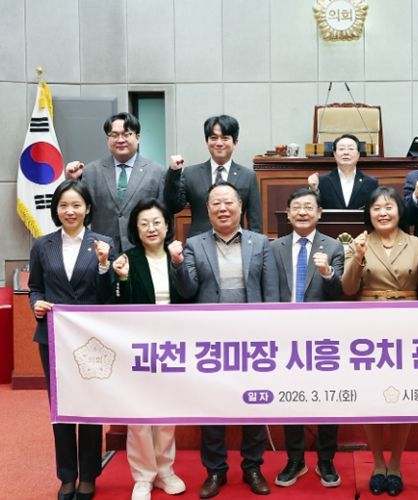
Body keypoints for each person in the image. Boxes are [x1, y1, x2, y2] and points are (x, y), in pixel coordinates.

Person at [169, 181, 279, 498]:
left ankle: (253, 467)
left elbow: (271, 293)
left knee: (254, 404)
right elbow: (188, 291)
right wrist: (178, 264)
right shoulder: (194, 244)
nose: (223, 208)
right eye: (216, 202)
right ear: (207, 209)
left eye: (229, 202)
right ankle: (215, 470)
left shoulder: (260, 243)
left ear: (241, 206)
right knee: (212, 406)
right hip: (211, 341)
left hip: (253, 340)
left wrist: (272, 334)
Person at [343, 186, 418, 497]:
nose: (383, 213)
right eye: (376, 208)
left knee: (400, 400)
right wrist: (357, 258)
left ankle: (395, 464)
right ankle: (377, 463)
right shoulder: (358, 243)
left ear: (399, 211)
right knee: (373, 399)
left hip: (407, 328)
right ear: (368, 214)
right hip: (370, 330)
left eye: (389, 207)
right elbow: (348, 288)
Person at [28, 180, 115, 500]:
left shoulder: (103, 243)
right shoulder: (42, 245)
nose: (70, 211)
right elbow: (35, 287)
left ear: (87, 208)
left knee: (89, 405)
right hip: (53, 337)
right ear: (56, 209)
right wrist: (35, 304)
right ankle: (67, 475)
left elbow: (108, 295)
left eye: (76, 205)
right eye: (63, 205)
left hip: (91, 340)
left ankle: (89, 474)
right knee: (61, 407)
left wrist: (104, 264)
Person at [111, 198, 187, 500]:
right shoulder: (128, 259)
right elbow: (118, 307)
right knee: (140, 415)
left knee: (167, 413)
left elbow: (189, 295)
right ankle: (143, 475)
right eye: (144, 224)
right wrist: (122, 278)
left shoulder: (177, 256)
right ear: (136, 229)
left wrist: (180, 263)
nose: (151, 228)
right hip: (138, 346)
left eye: (157, 222)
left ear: (167, 225)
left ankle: (165, 470)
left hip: (172, 345)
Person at [270, 187, 345, 489]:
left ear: (319, 213)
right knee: (291, 400)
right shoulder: (274, 247)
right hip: (285, 337)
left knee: (328, 399)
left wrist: (327, 272)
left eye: (309, 207)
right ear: (288, 213)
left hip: (323, 338)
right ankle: (295, 460)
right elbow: (270, 292)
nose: (302, 212)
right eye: (297, 207)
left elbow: (339, 292)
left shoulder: (334, 247)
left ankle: (326, 461)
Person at [64, 112, 167, 253]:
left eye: (126, 134)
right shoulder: (91, 172)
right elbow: (80, 212)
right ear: (107, 139)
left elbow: (164, 215)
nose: (120, 140)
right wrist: (73, 181)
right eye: (114, 135)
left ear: (137, 137)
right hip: (102, 251)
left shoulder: (157, 172)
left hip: (144, 251)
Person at [165, 114, 263, 236]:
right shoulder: (191, 174)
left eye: (225, 138)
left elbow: (255, 222)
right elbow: (173, 206)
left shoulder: (248, 176)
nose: (219, 143)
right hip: (199, 243)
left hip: (235, 242)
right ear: (207, 141)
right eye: (213, 138)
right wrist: (174, 173)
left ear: (235, 142)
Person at [308, 134, 379, 209]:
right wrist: (313, 189)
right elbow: (313, 207)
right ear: (334, 154)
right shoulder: (321, 181)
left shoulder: (371, 183)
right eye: (341, 149)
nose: (346, 152)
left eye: (351, 149)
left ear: (358, 154)